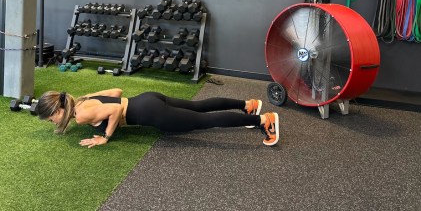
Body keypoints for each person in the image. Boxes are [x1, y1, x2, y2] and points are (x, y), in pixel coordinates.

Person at [36, 89, 279, 148]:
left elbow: (114, 111)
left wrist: (105, 137)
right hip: (147, 99)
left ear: (57, 112)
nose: (52, 122)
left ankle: (264, 121)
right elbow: (117, 93)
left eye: (50, 119)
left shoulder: (81, 115)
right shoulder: (83, 99)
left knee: (205, 120)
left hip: (151, 114)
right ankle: (248, 105)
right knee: (200, 106)